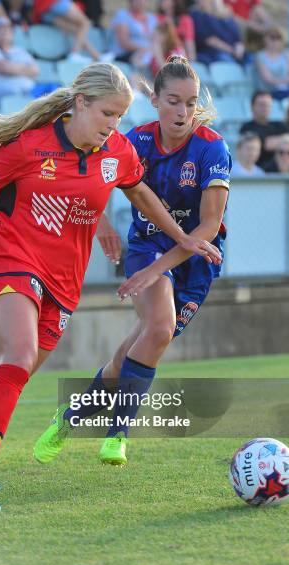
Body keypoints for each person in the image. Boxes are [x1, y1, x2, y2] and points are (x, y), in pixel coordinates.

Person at [0, 63, 221, 512]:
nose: (114, 125)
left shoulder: (118, 151)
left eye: (121, 117)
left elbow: (141, 193)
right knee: (19, 356)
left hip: (63, 285)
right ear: (80, 104)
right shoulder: (29, 146)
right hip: (12, 264)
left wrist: (183, 237)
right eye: (107, 113)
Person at [32, 55, 231, 466]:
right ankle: (117, 435)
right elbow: (83, 175)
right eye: (173, 101)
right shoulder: (134, 142)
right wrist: (101, 220)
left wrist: (160, 270)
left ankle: (68, 419)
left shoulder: (212, 148)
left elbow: (208, 227)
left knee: (137, 348)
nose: (182, 112)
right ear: (154, 99)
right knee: (158, 328)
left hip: (196, 258)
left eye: (191, 103)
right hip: (146, 246)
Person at [0, 16, 39, 98]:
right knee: (14, 91)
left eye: (8, 29)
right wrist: (25, 69)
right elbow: (4, 68)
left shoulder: (20, 50)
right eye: (1, 29)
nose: (5, 32)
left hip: (28, 91)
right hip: (2, 93)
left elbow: (35, 70)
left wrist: (12, 68)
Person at [31, 0, 104, 62]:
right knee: (85, 23)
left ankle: (97, 56)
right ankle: (75, 53)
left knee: (76, 31)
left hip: (41, 8)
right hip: (54, 2)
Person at [255, 26, 289, 101]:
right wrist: (288, 80)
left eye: (278, 37)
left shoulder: (286, 54)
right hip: (271, 92)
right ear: (265, 38)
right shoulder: (260, 56)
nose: (275, 41)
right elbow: (269, 80)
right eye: (272, 37)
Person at [239, 90, 289, 169]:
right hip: (257, 173)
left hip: (281, 172)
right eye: (261, 105)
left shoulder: (279, 125)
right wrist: (284, 141)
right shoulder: (247, 128)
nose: (265, 108)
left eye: (268, 105)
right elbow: (267, 144)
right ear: (252, 106)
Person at [191, 0, 245, 65]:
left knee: (252, 59)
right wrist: (233, 51)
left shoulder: (223, 16)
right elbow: (208, 39)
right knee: (227, 60)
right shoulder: (197, 15)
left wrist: (240, 47)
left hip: (235, 53)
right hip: (213, 54)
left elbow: (237, 38)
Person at [109, 0, 159, 68]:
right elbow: (124, 43)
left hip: (148, 53)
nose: (140, 2)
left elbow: (156, 39)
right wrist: (144, 49)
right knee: (149, 59)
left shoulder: (152, 18)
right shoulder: (123, 15)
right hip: (125, 55)